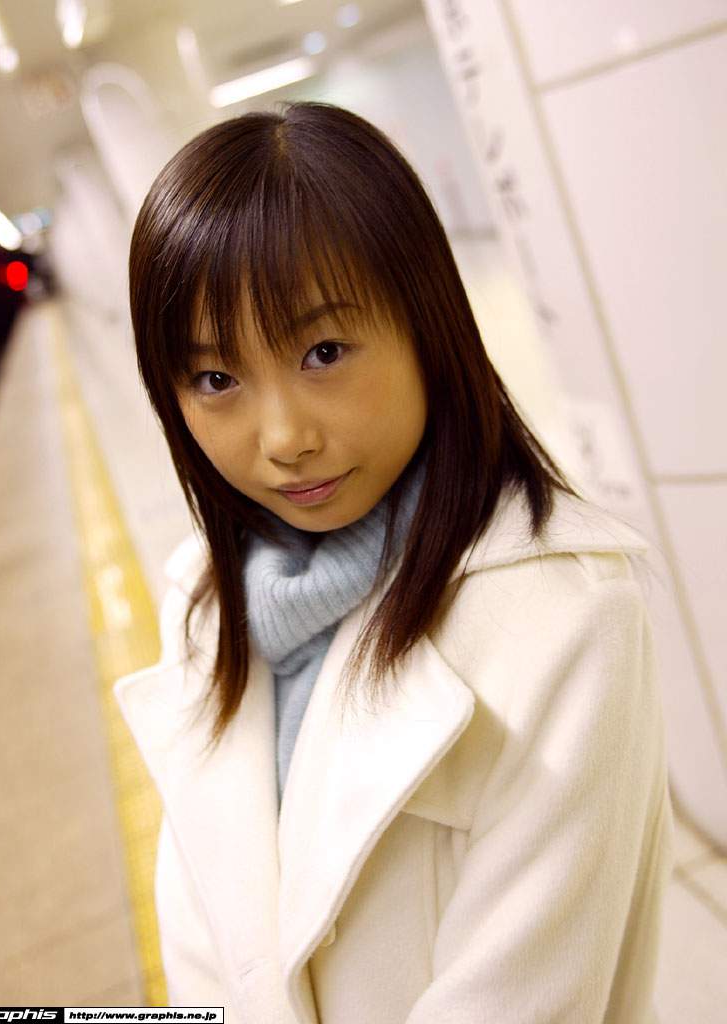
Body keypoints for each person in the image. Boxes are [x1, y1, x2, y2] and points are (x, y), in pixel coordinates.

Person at [114, 100, 673, 1023]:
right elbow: (207, 952)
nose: (284, 438)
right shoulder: (205, 602)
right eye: (217, 379)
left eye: (324, 351)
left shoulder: (567, 619)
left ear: (427, 324)